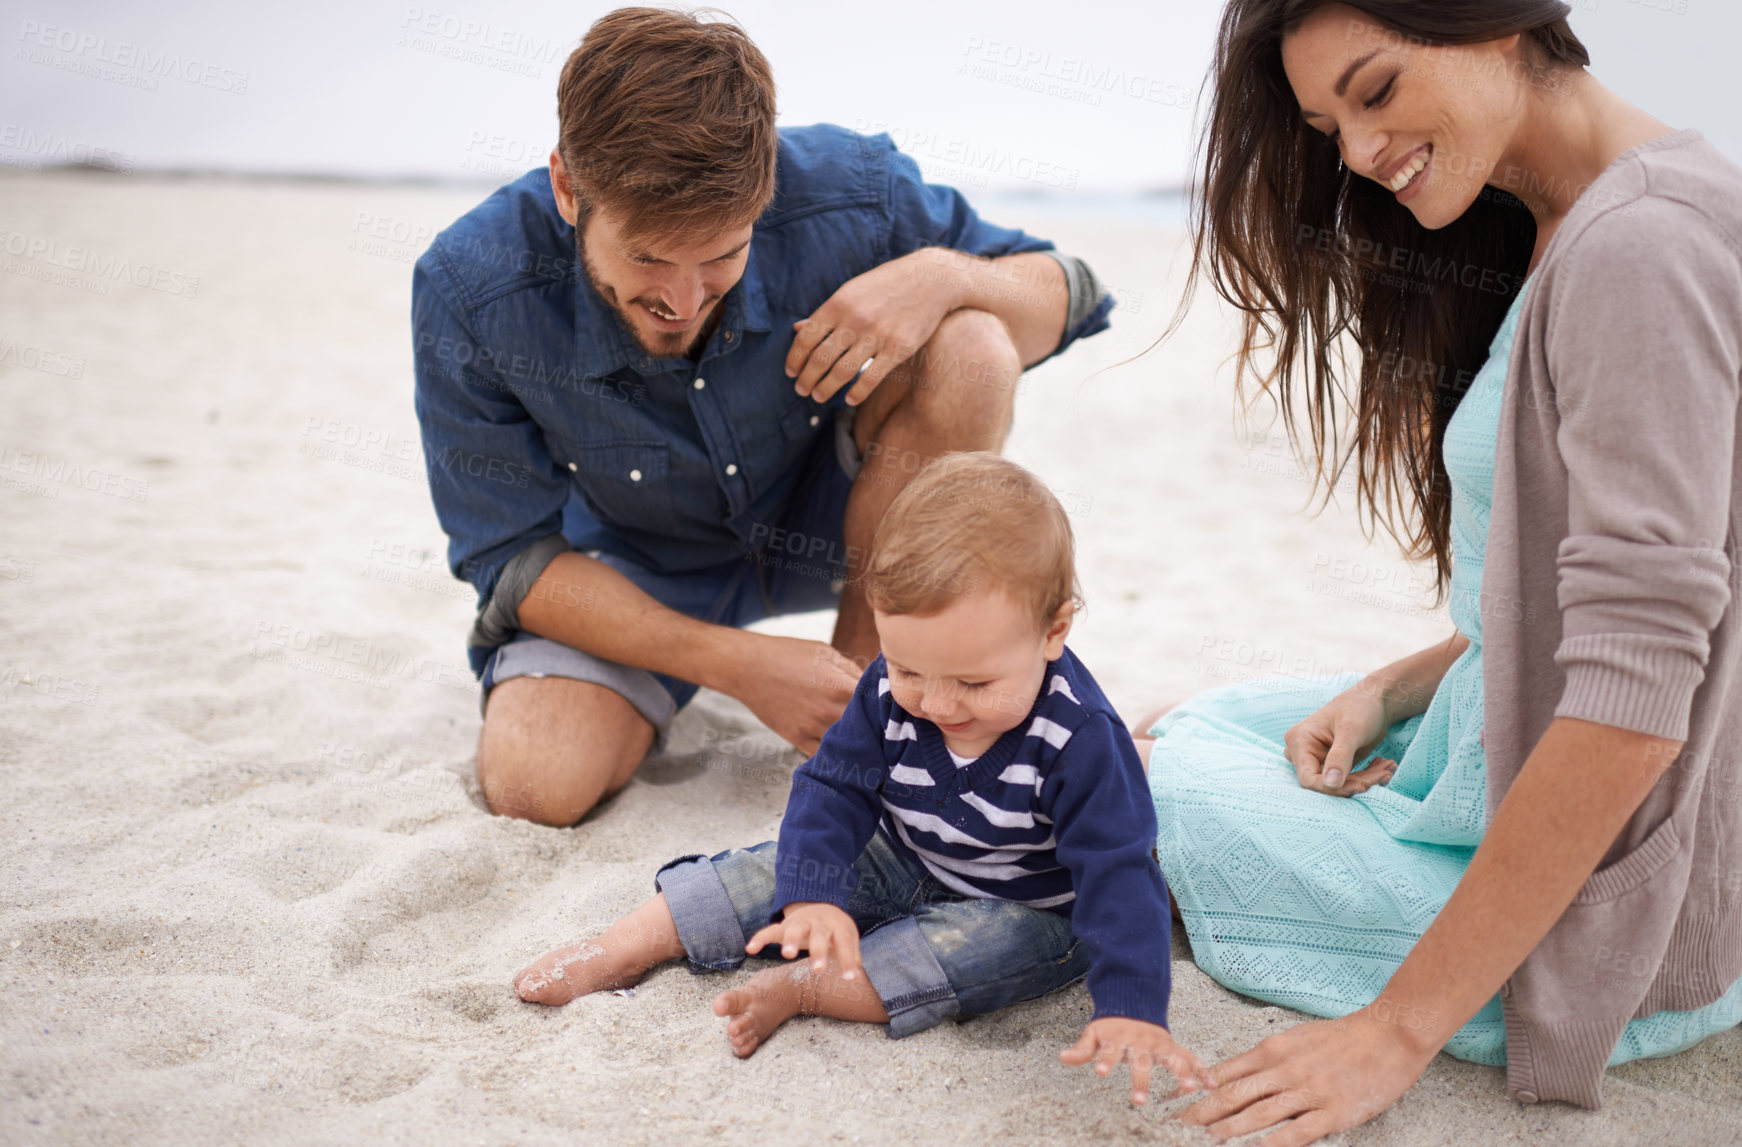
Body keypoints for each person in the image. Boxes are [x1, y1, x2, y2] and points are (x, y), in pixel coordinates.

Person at [1132, 2, 1742, 1142]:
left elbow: (1638, 689)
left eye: (1375, 91)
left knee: (1130, 774)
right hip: (1488, 736)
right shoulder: (1575, 213)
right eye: (1327, 127)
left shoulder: (1641, 247)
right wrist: (1395, 688)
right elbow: (1586, 590)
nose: (1358, 155)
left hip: (1606, 886)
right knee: (1193, 719)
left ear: (1498, 24)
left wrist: (1393, 1031)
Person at [411, 8, 1113, 827]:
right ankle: (792, 685)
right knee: (535, 785)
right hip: (639, 559)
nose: (681, 301)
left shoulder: (852, 188)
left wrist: (938, 276)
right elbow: (511, 559)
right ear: (569, 188)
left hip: (852, 520)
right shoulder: (468, 284)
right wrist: (744, 666)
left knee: (975, 344)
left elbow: (1075, 292)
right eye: (646, 257)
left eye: (721, 257)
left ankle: (866, 696)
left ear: (766, 187)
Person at [514, 454, 1205, 1103]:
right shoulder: (885, 688)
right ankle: (625, 943)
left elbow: (1120, 874)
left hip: (1028, 901)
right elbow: (833, 787)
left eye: (973, 680)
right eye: (908, 670)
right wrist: (813, 893)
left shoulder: (1080, 739)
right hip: (901, 849)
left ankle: (804, 988)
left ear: (1052, 632)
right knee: (768, 867)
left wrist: (1134, 1008)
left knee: (958, 957)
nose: (936, 704)